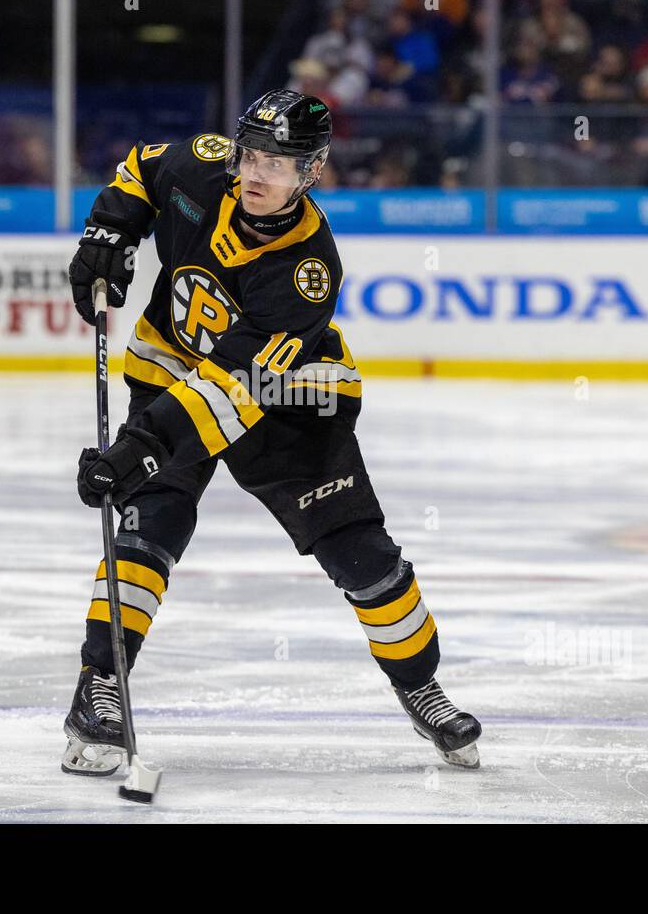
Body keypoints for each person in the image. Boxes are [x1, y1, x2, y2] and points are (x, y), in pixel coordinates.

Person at [62, 89, 481, 774]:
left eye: (279, 164)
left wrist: (141, 446)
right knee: (149, 526)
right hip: (171, 367)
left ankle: (420, 684)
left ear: (310, 172)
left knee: (362, 554)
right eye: (252, 155)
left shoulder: (308, 273)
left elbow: (232, 387)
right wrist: (108, 234)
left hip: (289, 403)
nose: (257, 174)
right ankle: (99, 685)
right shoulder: (201, 169)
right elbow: (140, 170)